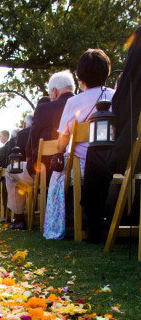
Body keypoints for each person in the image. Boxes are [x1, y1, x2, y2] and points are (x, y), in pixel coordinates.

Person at [43, 48, 114, 240]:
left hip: (82, 166)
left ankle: (55, 228)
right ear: (106, 71)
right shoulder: (116, 96)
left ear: (80, 76)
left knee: (56, 176)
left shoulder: (74, 102)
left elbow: (62, 143)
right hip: (116, 163)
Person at [81, 26, 141, 241]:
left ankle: (95, 225)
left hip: (131, 155)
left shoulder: (129, 88)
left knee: (97, 153)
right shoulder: (117, 91)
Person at [5, 73, 75, 230]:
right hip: (77, 170)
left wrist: (31, 164)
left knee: (11, 171)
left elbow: (32, 141)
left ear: (55, 91)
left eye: (51, 93)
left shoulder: (44, 108)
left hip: (46, 171)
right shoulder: (81, 104)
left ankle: (18, 218)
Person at [4, 114, 33, 229]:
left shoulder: (24, 133)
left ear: (25, 124)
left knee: (11, 171)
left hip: (36, 174)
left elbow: (18, 161)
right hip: (62, 171)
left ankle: (19, 217)